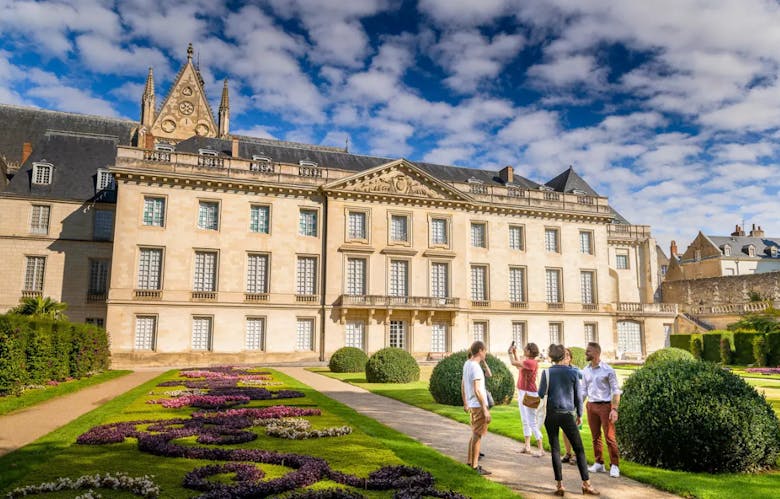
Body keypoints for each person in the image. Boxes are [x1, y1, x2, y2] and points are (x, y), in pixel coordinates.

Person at [538, 343, 599, 496]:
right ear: (562, 356)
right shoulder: (572, 372)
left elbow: (540, 393)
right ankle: (586, 484)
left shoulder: (546, 373)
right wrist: (579, 414)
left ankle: (559, 485)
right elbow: (578, 397)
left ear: (551, 357)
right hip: (567, 414)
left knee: (555, 449)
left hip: (550, 414)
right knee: (579, 449)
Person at [583, 342, 622, 478]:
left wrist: (614, 409)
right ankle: (599, 463)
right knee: (595, 437)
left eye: (588, 351)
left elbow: (616, 390)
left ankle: (615, 465)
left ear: (596, 353)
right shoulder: (585, 370)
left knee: (610, 437)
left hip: (605, 406)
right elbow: (583, 391)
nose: (585, 353)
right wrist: (577, 408)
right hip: (591, 406)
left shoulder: (608, 370)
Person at [462, 340, 492, 475]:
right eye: (484, 351)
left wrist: (465, 402)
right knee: (477, 435)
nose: (485, 353)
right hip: (478, 406)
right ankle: (475, 466)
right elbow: (477, 390)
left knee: (474, 433)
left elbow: (463, 385)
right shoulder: (475, 367)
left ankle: (470, 462)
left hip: (473, 404)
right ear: (480, 350)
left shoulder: (467, 364)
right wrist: (485, 409)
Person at [509, 342, 543, 456]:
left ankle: (541, 449)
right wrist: (514, 353)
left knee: (532, 422)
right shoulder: (529, 362)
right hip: (524, 392)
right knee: (525, 420)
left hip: (529, 394)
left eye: (526, 348)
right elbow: (519, 366)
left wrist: (510, 353)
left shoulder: (530, 362)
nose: (524, 348)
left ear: (529, 351)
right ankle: (527, 447)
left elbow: (514, 363)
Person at [561, 347, 584, 465]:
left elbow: (585, 378)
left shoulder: (575, 370)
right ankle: (568, 453)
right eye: (563, 355)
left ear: (570, 358)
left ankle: (576, 455)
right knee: (564, 430)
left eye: (567, 355)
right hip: (563, 405)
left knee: (575, 431)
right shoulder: (558, 370)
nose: (565, 358)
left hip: (574, 405)